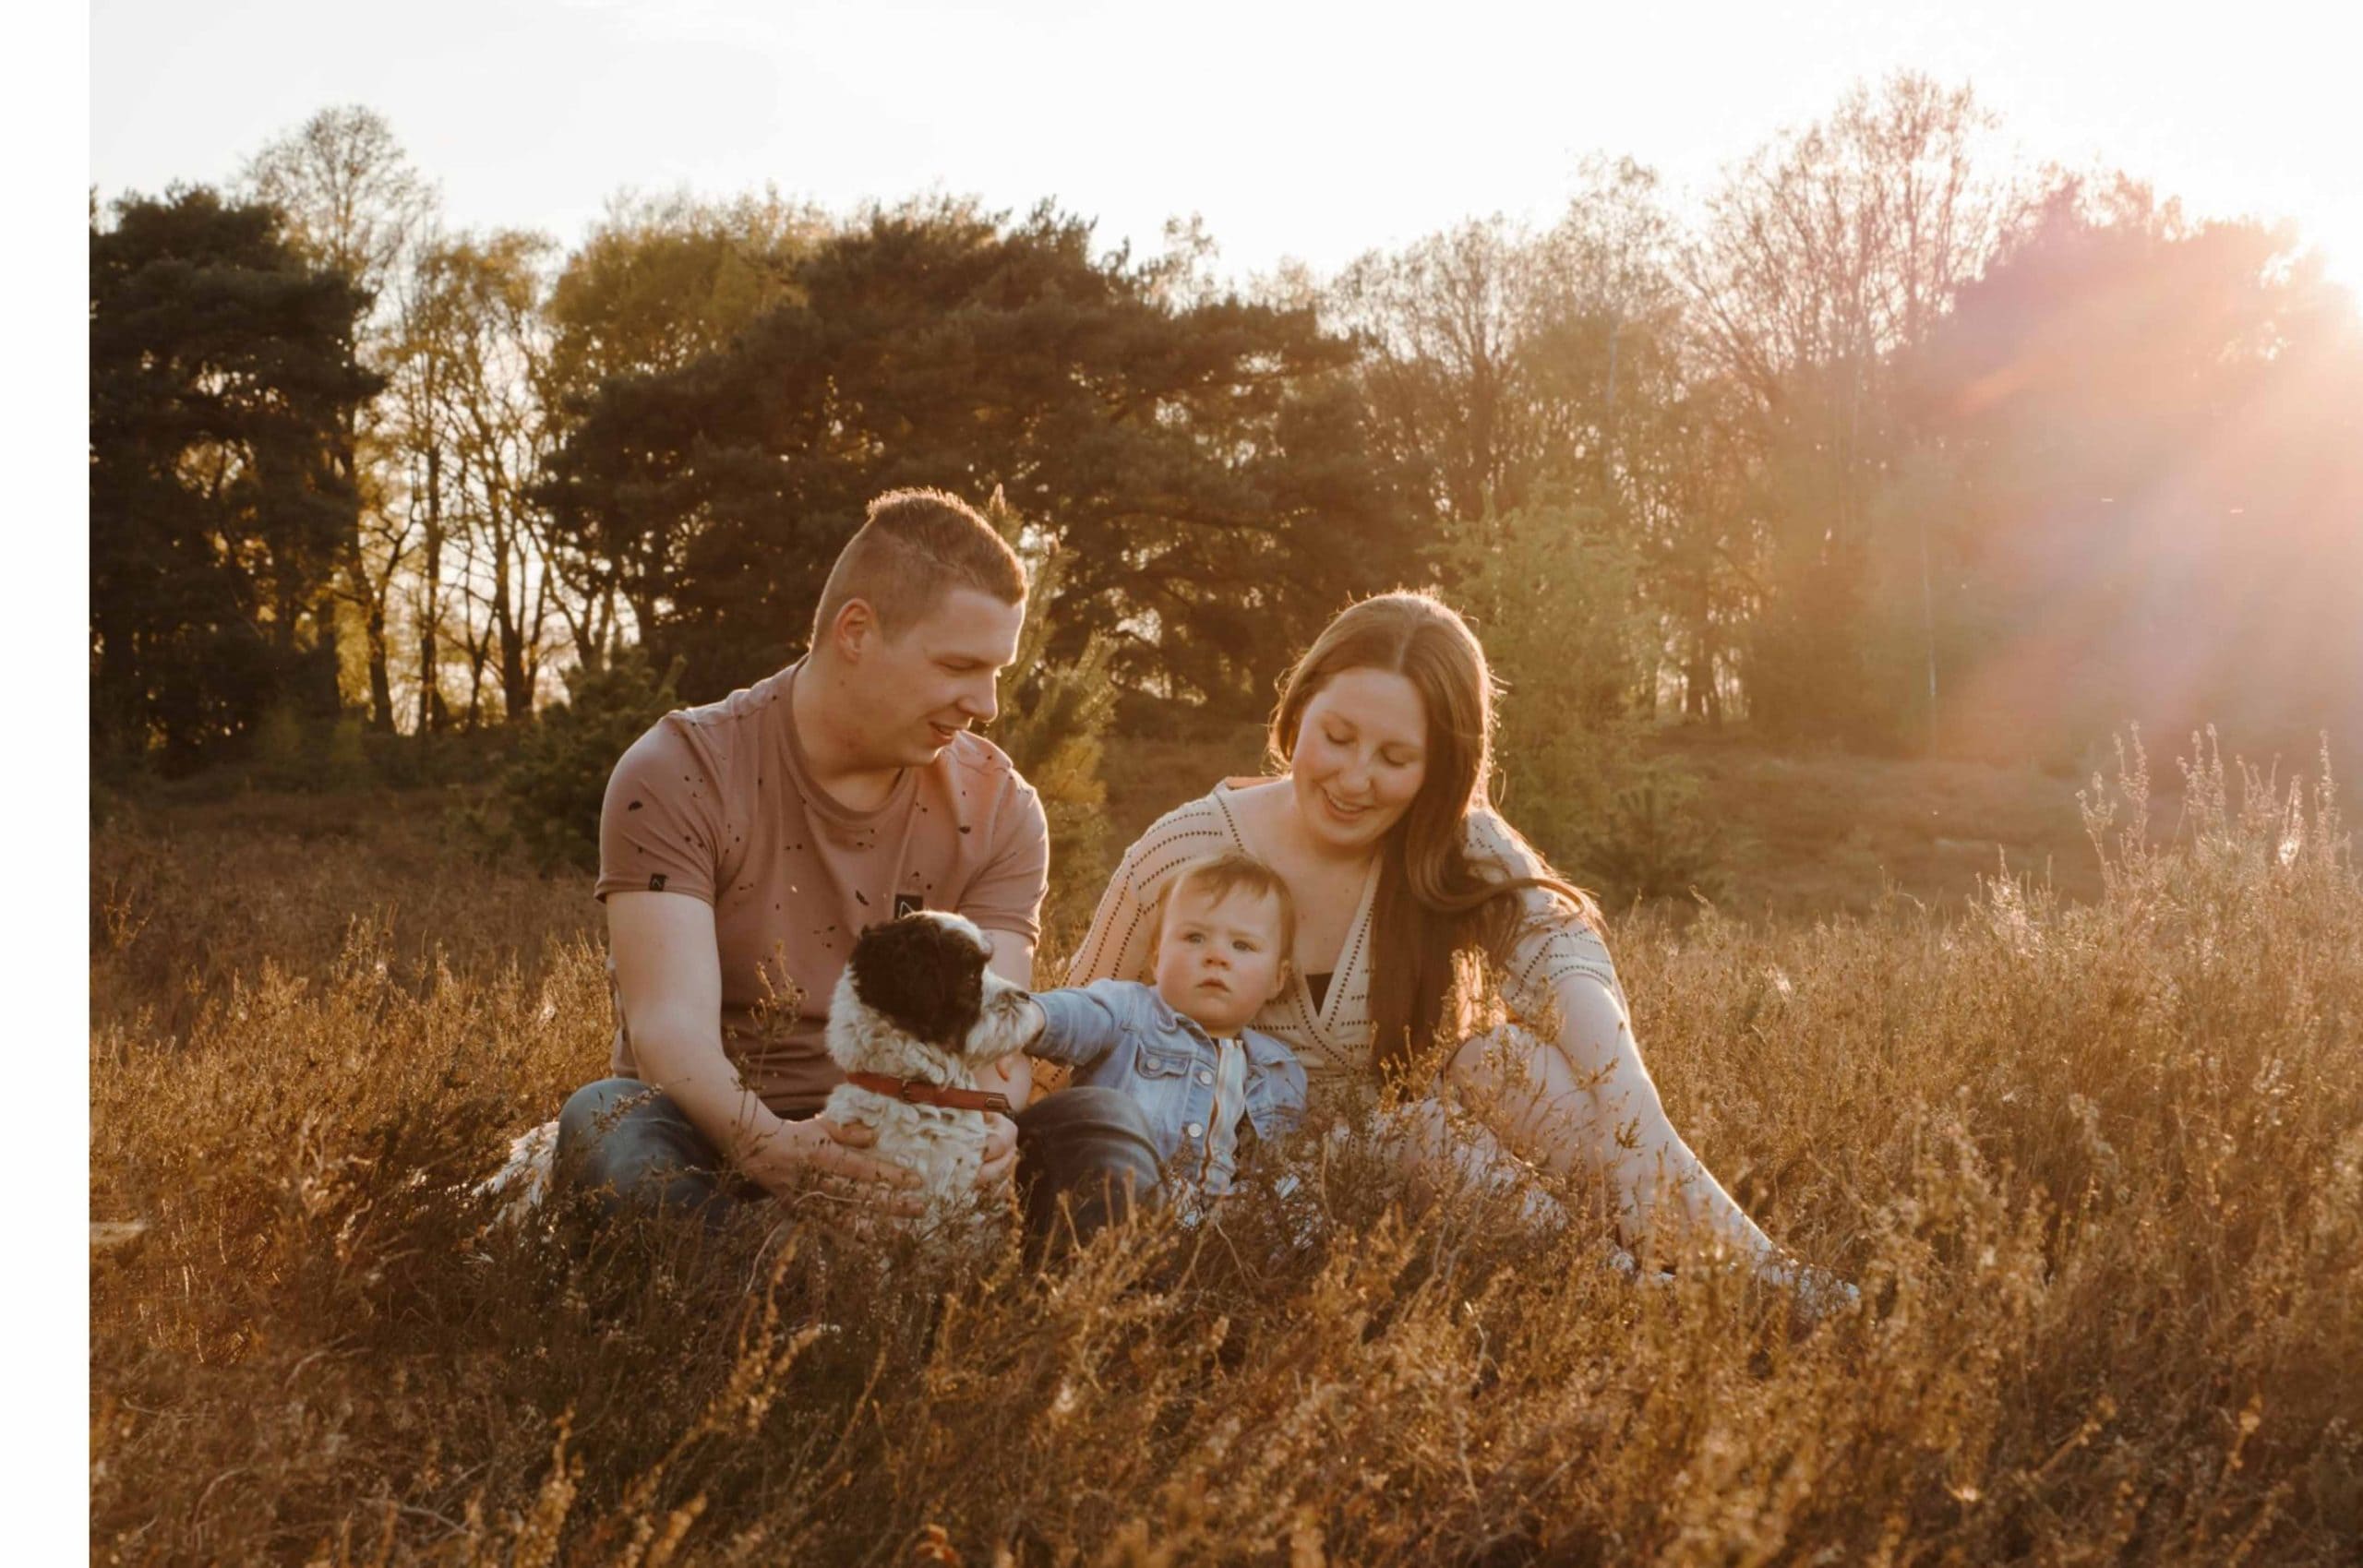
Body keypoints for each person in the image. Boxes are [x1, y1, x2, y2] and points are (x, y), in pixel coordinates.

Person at [1068, 589, 1853, 1308]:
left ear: (1440, 768)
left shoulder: (1453, 841)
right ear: (1299, 708)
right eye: (1337, 738)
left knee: (1498, 1061)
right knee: (1420, 1136)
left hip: (1429, 1158)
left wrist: (1641, 1127)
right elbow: (1061, 1050)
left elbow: (1567, 959)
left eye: (1395, 758)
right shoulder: (1186, 850)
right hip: (1272, 1198)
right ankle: (1634, 1294)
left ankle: (1762, 1276)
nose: (1353, 778)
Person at [554, 488, 1158, 1241]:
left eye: (997, 670)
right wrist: (772, 1148)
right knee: (606, 1125)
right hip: (720, 1142)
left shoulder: (999, 803)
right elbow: (667, 1029)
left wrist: (990, 1125)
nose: (988, 702)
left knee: (1104, 1126)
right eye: (961, 665)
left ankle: (1068, 1343)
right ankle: (763, 1314)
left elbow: (996, 1033)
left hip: (921, 1146)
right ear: (857, 631)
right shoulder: (679, 771)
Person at [1025, 850, 1310, 1218]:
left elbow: (1274, 1161)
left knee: (1298, 1189)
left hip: (1215, 1228)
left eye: (1242, 945)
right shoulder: (1129, 1011)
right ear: (1157, 959)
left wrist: (1253, 1203)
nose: (1217, 956)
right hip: (1123, 1205)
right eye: (1194, 938)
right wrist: (1031, 1015)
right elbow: (1079, 1014)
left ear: (1277, 978)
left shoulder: (1280, 1069)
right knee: (1110, 1122)